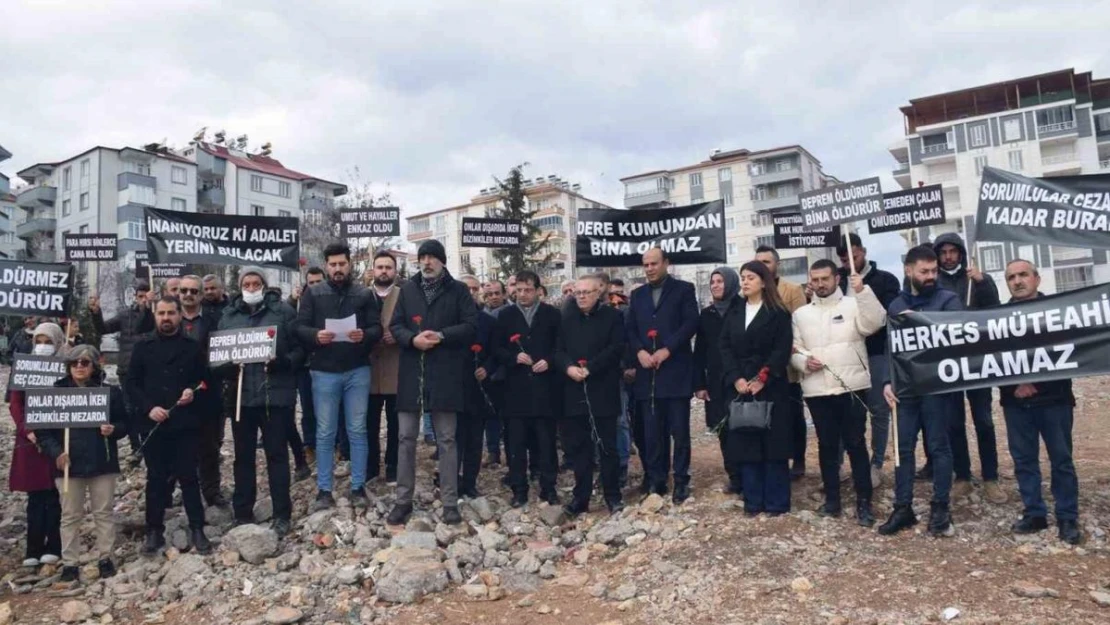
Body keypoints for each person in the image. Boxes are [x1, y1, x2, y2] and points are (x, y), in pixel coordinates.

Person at [388, 239, 476, 525]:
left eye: (432, 258)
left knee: (447, 440)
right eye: (422, 257)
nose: (426, 262)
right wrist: (412, 339)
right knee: (405, 438)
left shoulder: (459, 290)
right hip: (413, 373)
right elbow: (395, 326)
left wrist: (441, 336)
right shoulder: (407, 290)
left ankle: (450, 502)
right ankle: (403, 501)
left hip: (446, 375)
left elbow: (471, 326)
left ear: (442, 261)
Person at [791, 259, 885, 526]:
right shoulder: (801, 314)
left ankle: (864, 502)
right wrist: (803, 363)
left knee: (856, 444)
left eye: (825, 279)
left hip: (851, 386)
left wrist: (863, 291)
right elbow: (795, 350)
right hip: (817, 389)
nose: (820, 284)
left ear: (836, 279)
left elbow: (875, 322)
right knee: (827, 445)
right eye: (816, 279)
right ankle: (832, 500)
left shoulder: (854, 304)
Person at [879, 245, 962, 537]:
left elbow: (958, 336)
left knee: (938, 446)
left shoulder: (949, 300)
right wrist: (887, 381)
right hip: (905, 389)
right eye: (924, 271)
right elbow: (892, 348)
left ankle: (941, 506)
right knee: (902, 449)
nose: (930, 276)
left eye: (934, 271)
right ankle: (903, 508)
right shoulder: (896, 305)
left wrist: (924, 322)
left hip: (937, 387)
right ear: (909, 270)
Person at [296, 242, 382, 511]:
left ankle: (358, 486)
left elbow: (377, 328)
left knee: (357, 430)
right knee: (325, 432)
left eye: (342, 264)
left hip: (357, 369)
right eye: (332, 265)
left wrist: (365, 335)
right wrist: (315, 336)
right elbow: (299, 327)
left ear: (350, 264)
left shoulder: (364, 294)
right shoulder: (313, 293)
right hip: (324, 371)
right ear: (326, 266)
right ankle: (324, 489)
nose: (337, 269)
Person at [218, 268, 304, 536]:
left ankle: (282, 514)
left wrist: (284, 363)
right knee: (242, 458)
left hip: (274, 396)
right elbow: (217, 356)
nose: (251, 287)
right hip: (241, 398)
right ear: (240, 286)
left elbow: (301, 348)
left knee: (277, 456)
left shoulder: (283, 312)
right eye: (247, 283)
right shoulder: (228, 316)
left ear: (264, 287)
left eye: (256, 283)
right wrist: (226, 369)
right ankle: (242, 512)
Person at [999, 260, 1080, 544]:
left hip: (1055, 400)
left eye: (1023, 275)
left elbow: (1069, 354)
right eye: (1011, 277)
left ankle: (1067, 516)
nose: (1018, 281)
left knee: (1061, 460)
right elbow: (986, 361)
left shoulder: (1058, 312)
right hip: (1015, 403)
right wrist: (1016, 384)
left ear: (1037, 279)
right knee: (1024, 461)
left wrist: (1035, 382)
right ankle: (1035, 512)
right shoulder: (997, 318)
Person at [127, 296, 210, 554]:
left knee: (188, 477)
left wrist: (193, 392)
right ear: (155, 315)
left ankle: (197, 527)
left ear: (179, 315)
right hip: (153, 423)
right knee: (155, 478)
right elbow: (131, 384)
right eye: (161, 313)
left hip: (184, 423)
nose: (166, 318)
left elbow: (205, 382)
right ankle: (154, 530)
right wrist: (148, 408)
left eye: (170, 313)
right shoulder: (142, 347)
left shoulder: (192, 346)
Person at [38, 345, 128, 581]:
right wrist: (56, 452)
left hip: (102, 462)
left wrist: (114, 429)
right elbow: (43, 431)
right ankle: (70, 563)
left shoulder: (110, 393)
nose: (79, 366)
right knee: (69, 515)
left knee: (104, 513)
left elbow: (126, 425)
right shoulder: (55, 392)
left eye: (85, 362)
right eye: (74, 362)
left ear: (94, 365)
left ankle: (105, 558)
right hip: (68, 465)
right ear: (68, 366)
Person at [931, 233, 1004, 503]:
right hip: (948, 363)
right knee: (953, 423)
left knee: (983, 420)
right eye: (944, 252)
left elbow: (994, 311)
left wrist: (982, 283)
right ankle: (962, 475)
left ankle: (990, 478)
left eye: (953, 251)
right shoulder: (933, 282)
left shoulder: (977, 279)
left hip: (977, 362)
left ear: (961, 253)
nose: (948, 256)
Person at [719, 261, 794, 516]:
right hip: (741, 387)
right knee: (746, 441)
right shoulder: (735, 310)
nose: (745, 282)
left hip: (770, 386)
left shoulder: (778, 312)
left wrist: (764, 377)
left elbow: (782, 349)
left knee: (773, 445)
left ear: (763, 281)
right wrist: (736, 378)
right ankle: (753, 501)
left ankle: (776, 502)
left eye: (751, 277)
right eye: (742, 277)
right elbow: (725, 346)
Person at [627, 248, 699, 503]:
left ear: (666, 263)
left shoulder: (684, 289)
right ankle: (657, 480)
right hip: (648, 376)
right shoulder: (637, 295)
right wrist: (639, 352)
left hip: (675, 371)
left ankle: (681, 481)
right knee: (652, 433)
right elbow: (631, 329)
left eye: (654, 263)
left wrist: (668, 348)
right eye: (645, 264)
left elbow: (690, 323)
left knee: (679, 432)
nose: (649, 268)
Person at [555, 275, 627, 515]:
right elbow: (557, 349)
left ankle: (613, 496)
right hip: (573, 388)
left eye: (587, 292)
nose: (582, 296)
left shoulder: (613, 317)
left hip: (602, 388)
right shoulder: (565, 318)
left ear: (599, 293)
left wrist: (591, 368)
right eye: (578, 292)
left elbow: (617, 348)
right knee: (579, 447)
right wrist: (568, 367)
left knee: (607, 446)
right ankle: (581, 497)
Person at [491, 270, 562, 507]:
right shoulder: (505, 315)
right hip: (515, 391)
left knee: (546, 442)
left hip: (545, 390)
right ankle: (519, 489)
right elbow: (497, 348)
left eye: (528, 290)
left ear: (538, 290)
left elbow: (561, 346)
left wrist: (549, 361)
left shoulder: (552, 314)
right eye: (519, 290)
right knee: (516, 443)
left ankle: (548, 487)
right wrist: (514, 357)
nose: (523, 294)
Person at [836, 233, 902, 489]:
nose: (850, 262)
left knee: (878, 411)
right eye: (844, 259)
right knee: (846, 410)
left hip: (876, 354)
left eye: (854, 256)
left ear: (863, 251)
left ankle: (876, 464)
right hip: (847, 355)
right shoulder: (838, 282)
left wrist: (864, 291)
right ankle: (843, 463)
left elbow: (888, 317)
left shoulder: (885, 280)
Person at [8, 323, 64, 569]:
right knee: (35, 497)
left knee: (54, 494)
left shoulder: (66, 366)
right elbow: (15, 403)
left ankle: (54, 545)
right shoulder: (24, 367)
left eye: (48, 341)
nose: (42, 346)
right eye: (38, 340)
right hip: (30, 443)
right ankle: (33, 547)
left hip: (56, 439)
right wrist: (28, 431)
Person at [754, 245, 808, 479]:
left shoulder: (792, 290)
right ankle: (775, 459)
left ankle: (799, 458)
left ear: (777, 264)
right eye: (759, 262)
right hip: (762, 366)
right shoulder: (752, 292)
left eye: (767, 261)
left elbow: (801, 324)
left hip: (788, 366)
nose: (762, 266)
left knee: (793, 414)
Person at [89, 281, 154, 465]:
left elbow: (150, 328)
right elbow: (103, 328)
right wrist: (96, 313)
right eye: (140, 297)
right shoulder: (126, 315)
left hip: (149, 370)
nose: (142, 300)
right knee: (129, 409)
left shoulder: (157, 314)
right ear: (135, 297)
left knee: (147, 408)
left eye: (146, 297)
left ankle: (148, 445)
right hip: (127, 369)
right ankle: (136, 447)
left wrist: (149, 309)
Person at [178, 274, 228, 507]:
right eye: (184, 291)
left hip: (207, 394)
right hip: (175, 397)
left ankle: (211, 491)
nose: (188, 295)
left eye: (193, 291)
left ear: (200, 295)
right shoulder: (168, 319)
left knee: (209, 447)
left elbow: (220, 357)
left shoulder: (213, 322)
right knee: (179, 447)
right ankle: (178, 491)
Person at [694, 267, 742, 494]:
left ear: (731, 283)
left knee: (742, 426)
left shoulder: (744, 308)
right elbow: (700, 351)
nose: (715, 285)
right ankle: (733, 475)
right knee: (722, 427)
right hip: (715, 380)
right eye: (712, 282)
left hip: (740, 379)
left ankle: (748, 475)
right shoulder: (707, 314)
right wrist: (699, 384)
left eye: (720, 281)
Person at [459, 274, 495, 498]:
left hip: (479, 386)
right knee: (453, 439)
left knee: (474, 439)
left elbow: (496, 351)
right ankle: (451, 481)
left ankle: (470, 481)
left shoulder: (489, 321)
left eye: (474, 289)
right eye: (466, 289)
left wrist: (487, 368)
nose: (471, 293)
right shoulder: (449, 319)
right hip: (453, 386)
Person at [368, 250, 401, 484]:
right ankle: (370, 466)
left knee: (395, 424)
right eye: (380, 267)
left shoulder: (406, 294)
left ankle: (393, 466)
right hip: (368, 371)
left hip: (396, 370)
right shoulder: (362, 295)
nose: (384, 271)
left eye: (388, 267)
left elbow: (415, 323)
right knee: (368, 423)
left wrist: (398, 335)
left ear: (395, 271)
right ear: (373, 270)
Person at [292, 266, 326, 466]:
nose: (315, 286)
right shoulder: (300, 303)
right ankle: (310, 445)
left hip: (327, 362)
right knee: (308, 407)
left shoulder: (332, 298)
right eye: (311, 282)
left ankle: (337, 445)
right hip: (305, 364)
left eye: (318, 282)